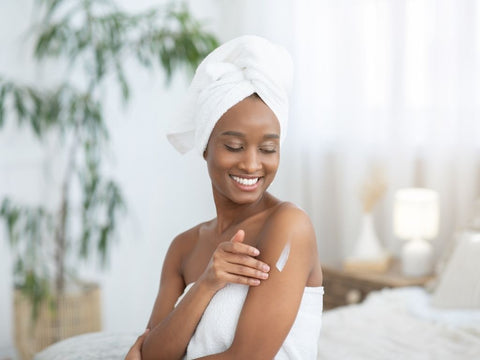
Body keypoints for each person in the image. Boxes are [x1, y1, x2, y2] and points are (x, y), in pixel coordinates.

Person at [126, 35, 323, 360]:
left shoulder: (290, 226)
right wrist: (206, 282)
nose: (251, 163)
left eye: (268, 149)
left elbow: (249, 357)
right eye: (233, 146)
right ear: (206, 147)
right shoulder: (184, 247)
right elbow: (154, 353)